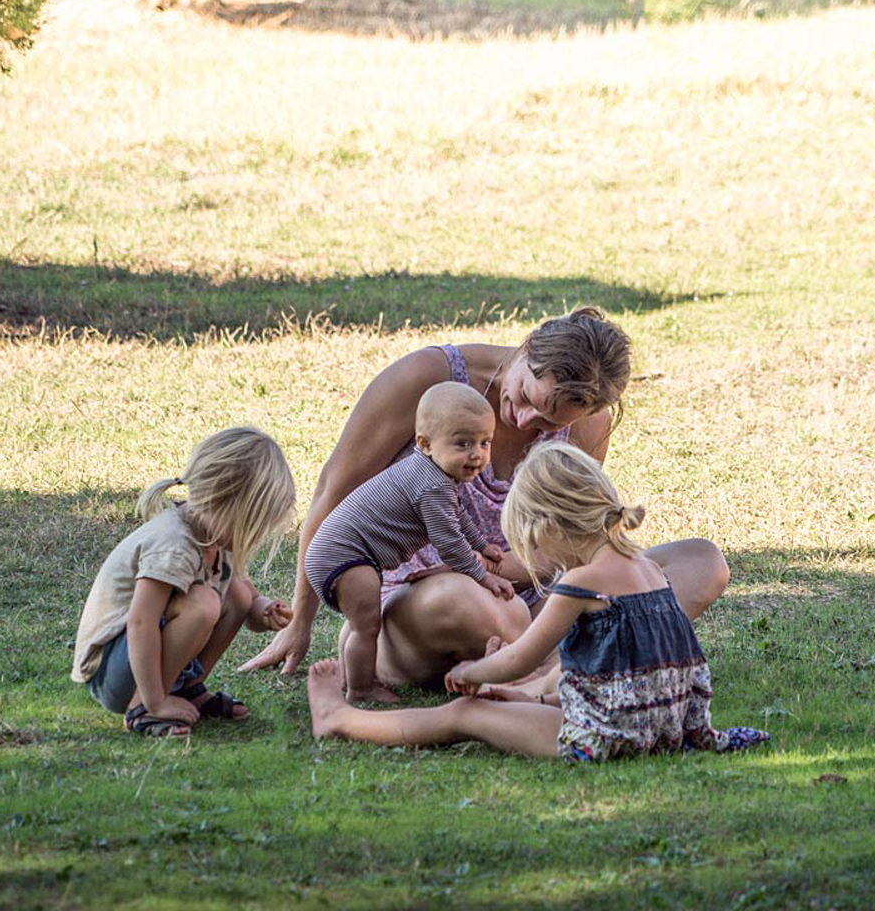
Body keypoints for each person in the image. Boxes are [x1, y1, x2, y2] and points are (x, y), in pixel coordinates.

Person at [241, 307, 730, 686]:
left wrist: (509, 571)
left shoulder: (587, 420)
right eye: (525, 398)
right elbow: (335, 489)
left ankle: (534, 673)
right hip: (423, 602)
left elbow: (570, 539)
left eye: (549, 424)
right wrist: (300, 621)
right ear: (527, 347)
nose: (523, 423)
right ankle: (554, 673)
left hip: (527, 599)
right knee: (473, 600)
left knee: (701, 563)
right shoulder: (428, 379)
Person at [306, 442, 769, 760]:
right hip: (665, 729)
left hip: (606, 736)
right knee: (509, 702)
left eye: (529, 542)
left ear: (548, 528)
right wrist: (529, 695)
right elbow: (620, 669)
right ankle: (522, 704)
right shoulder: (649, 571)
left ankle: (340, 718)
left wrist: (471, 673)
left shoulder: (580, 583)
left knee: (465, 714)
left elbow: (520, 657)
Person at [71, 426, 296, 737]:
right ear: (224, 504)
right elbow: (140, 622)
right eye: (251, 525)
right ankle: (145, 710)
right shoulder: (174, 546)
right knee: (203, 604)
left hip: (143, 662)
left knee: (239, 594)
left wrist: (265, 610)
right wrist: (154, 700)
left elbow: (247, 607)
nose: (254, 537)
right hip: (113, 670)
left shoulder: (216, 538)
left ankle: (188, 689)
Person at [304, 382, 515, 703]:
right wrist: (483, 575)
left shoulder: (434, 476)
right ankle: (360, 688)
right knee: (367, 625)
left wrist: (483, 545)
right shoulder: (430, 486)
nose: (477, 454)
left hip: (338, 553)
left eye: (485, 442)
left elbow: (458, 517)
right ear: (425, 444)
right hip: (345, 555)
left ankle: (350, 674)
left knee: (363, 619)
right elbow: (449, 543)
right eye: (463, 443)